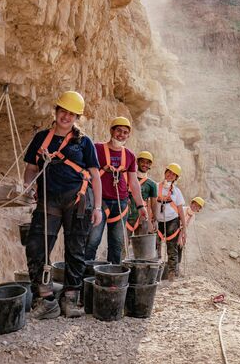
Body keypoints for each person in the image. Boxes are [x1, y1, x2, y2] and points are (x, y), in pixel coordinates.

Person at [23, 91, 103, 319]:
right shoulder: (41, 138)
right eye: (63, 111)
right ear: (56, 111)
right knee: (36, 247)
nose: (66, 117)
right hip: (48, 201)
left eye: (71, 114)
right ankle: (46, 298)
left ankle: (71, 299)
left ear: (77, 118)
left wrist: (97, 207)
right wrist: (28, 186)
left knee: (75, 251)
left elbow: (95, 176)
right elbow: (31, 168)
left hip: (77, 201)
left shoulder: (84, 142)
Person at [84, 117, 147, 264]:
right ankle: (84, 276)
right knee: (92, 241)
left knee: (116, 244)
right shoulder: (97, 149)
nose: (121, 135)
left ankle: (113, 278)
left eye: (125, 132)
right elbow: (86, 173)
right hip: (100, 202)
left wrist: (140, 206)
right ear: (111, 130)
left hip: (121, 203)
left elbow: (133, 182)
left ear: (128, 135)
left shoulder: (130, 156)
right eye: (118, 130)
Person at [154, 163, 186, 280]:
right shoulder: (156, 186)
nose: (171, 175)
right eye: (169, 172)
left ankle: (171, 275)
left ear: (176, 178)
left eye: (174, 174)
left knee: (172, 249)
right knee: (155, 248)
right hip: (157, 221)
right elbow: (150, 203)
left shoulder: (176, 192)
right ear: (165, 172)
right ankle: (155, 274)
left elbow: (180, 210)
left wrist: (184, 228)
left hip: (172, 221)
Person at [129, 151, 158, 235]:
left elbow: (153, 204)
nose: (145, 165)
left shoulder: (152, 184)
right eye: (143, 162)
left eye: (147, 163)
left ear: (150, 165)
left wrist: (155, 220)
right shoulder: (129, 177)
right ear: (137, 162)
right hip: (127, 216)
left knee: (141, 246)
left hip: (142, 217)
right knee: (122, 245)